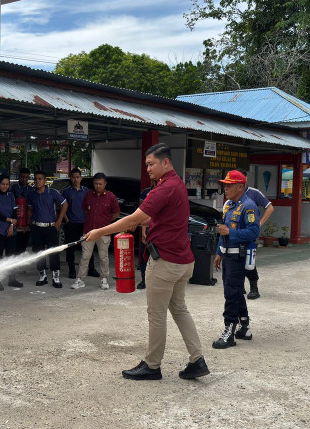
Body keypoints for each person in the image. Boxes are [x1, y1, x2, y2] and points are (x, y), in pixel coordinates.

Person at [85, 143, 209, 381]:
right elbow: (155, 218)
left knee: (157, 314)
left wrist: (100, 231)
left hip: (165, 263)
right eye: (147, 165)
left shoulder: (164, 188)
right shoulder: (177, 185)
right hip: (183, 261)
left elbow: (135, 217)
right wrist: (140, 222)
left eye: (151, 164)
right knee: (180, 309)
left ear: (166, 162)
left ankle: (152, 366)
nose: (148, 169)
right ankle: (197, 359)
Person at [212, 170, 261, 349]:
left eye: (229, 185)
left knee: (231, 294)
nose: (226, 188)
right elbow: (222, 231)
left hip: (238, 256)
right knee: (236, 290)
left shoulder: (249, 206)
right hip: (228, 255)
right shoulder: (228, 205)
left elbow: (254, 232)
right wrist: (219, 252)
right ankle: (244, 327)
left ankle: (229, 333)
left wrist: (230, 232)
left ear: (240, 187)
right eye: (225, 185)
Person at [71, 172, 119, 290]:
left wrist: (106, 222)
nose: (98, 186)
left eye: (100, 184)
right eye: (96, 183)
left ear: (105, 184)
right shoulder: (88, 195)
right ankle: (80, 279)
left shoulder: (111, 197)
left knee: (103, 257)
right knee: (85, 256)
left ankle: (104, 279)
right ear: (93, 183)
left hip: (104, 232)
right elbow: (85, 210)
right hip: (88, 231)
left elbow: (116, 213)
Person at [27, 170, 68, 287]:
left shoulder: (53, 192)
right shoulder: (32, 194)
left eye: (40, 179)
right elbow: (29, 209)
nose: (37, 181)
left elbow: (65, 204)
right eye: (35, 179)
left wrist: (59, 220)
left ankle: (56, 277)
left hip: (50, 227)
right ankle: (42, 275)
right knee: (38, 253)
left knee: (54, 252)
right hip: (37, 228)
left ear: (45, 180)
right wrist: (30, 221)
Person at [0, 173, 24, 290]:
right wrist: (9, 220)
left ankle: (11, 279)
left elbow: (14, 213)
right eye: (2, 184)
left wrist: (12, 225)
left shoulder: (11, 196)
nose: (5, 186)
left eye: (7, 184)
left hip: (11, 230)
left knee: (11, 255)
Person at [243, 181, 274, 300]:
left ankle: (254, 288)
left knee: (249, 261)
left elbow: (270, 207)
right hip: (236, 234)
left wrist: (259, 224)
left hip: (250, 234)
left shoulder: (254, 193)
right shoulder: (233, 195)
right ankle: (240, 286)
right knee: (236, 258)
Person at [62, 168, 90, 279]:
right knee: (71, 248)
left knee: (87, 247)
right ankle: (72, 270)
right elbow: (62, 206)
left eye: (77, 177)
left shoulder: (86, 191)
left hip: (84, 223)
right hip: (71, 223)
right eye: (73, 177)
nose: (75, 179)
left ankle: (91, 268)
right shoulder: (66, 191)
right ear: (70, 178)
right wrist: (66, 219)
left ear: (81, 178)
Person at [136, 179, 156, 289]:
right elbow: (143, 213)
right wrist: (143, 232)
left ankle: (154, 282)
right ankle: (144, 280)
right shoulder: (146, 192)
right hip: (147, 230)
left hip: (158, 232)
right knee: (145, 257)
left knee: (157, 258)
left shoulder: (165, 193)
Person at [11, 167, 33, 255]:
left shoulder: (31, 190)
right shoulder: (14, 188)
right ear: (19, 176)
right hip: (16, 220)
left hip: (27, 221)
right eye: (22, 177)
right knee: (15, 246)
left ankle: (20, 267)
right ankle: (14, 266)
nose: (24, 179)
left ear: (29, 177)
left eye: (26, 177)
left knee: (23, 246)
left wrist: (29, 223)